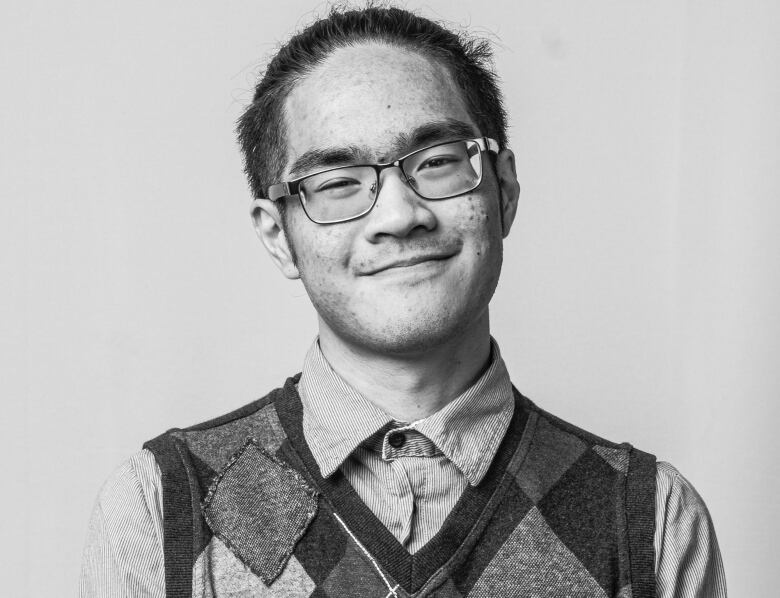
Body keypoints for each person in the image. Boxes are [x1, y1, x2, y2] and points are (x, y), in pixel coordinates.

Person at [79, 5, 726, 597]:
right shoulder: (167, 506)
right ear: (278, 236)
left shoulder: (645, 519)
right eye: (336, 182)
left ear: (503, 188)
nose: (398, 213)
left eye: (438, 161)